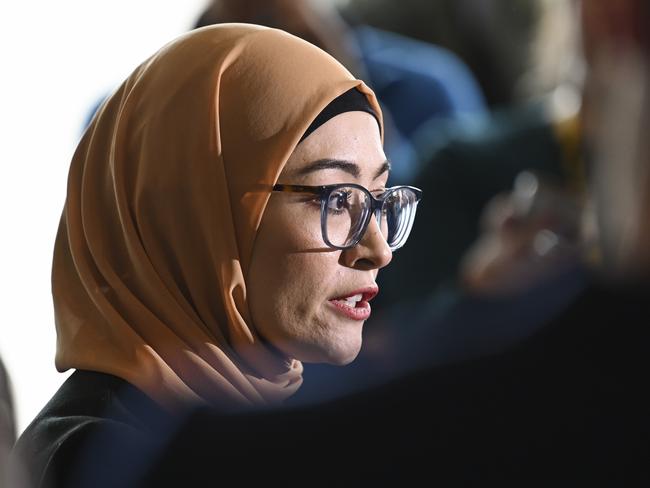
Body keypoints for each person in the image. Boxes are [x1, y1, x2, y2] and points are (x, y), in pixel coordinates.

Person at [11, 24, 422, 487]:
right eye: (333, 198)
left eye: (380, 197)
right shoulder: (105, 464)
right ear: (194, 215)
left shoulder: (248, 432)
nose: (378, 250)